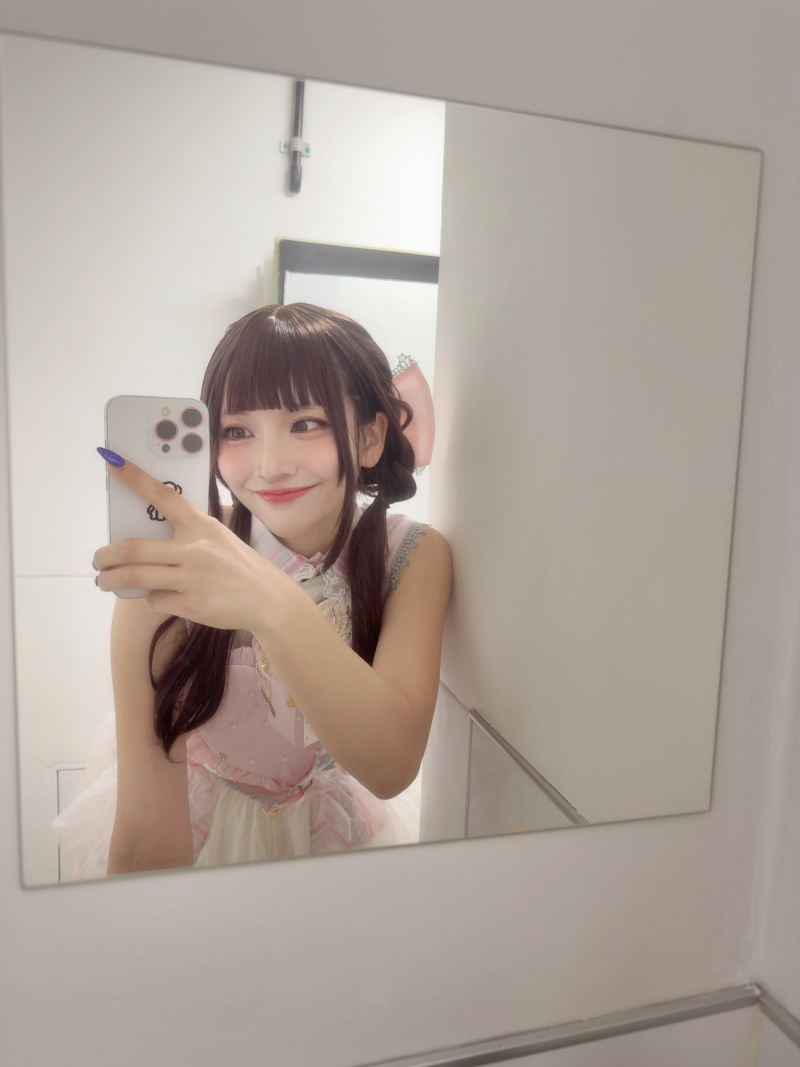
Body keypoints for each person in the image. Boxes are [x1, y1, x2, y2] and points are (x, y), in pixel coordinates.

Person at [56, 303, 451, 877]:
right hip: (202, 828)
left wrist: (268, 602)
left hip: (336, 835)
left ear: (369, 437)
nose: (269, 466)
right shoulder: (177, 559)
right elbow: (146, 841)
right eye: (237, 431)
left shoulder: (411, 555)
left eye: (306, 423)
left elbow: (391, 766)